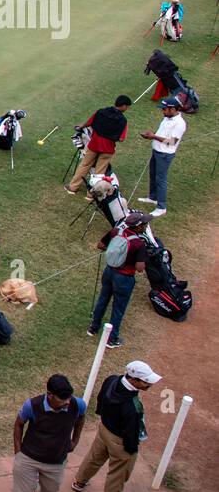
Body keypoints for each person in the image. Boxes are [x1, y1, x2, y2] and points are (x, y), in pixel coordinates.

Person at [72, 360, 162, 492]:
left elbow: (100, 399)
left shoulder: (111, 380)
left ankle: (79, 481)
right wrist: (131, 450)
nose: (149, 385)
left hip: (104, 429)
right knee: (118, 475)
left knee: (94, 457)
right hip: (120, 442)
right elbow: (131, 433)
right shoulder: (132, 407)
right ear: (133, 380)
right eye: (146, 382)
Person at [9, 374, 86, 492]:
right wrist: (18, 452)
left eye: (69, 397)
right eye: (62, 398)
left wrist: (75, 440)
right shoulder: (32, 405)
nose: (67, 401)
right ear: (49, 395)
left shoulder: (77, 404)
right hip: (29, 456)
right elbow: (19, 424)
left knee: (53, 487)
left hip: (56, 459)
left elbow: (81, 417)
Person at [87, 212, 151, 348]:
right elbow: (140, 268)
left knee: (103, 299)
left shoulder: (116, 231)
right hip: (124, 278)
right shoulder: (139, 244)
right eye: (144, 224)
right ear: (138, 227)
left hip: (109, 272)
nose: (146, 226)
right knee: (118, 308)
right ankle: (112, 339)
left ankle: (93, 328)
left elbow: (100, 245)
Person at [66, 96, 130, 194]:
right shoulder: (123, 121)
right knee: (99, 172)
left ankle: (73, 187)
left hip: (94, 144)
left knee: (84, 165)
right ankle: (91, 194)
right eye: (127, 106)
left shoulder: (101, 112)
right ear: (124, 106)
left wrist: (81, 126)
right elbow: (121, 138)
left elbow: (89, 122)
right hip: (107, 148)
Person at [138, 97, 185, 217]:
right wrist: (152, 135)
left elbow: (172, 142)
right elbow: (162, 133)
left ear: (173, 109)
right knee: (153, 175)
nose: (163, 111)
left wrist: (153, 136)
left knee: (161, 180)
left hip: (165, 154)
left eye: (164, 109)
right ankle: (153, 197)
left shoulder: (179, 123)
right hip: (156, 151)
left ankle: (161, 206)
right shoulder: (167, 118)